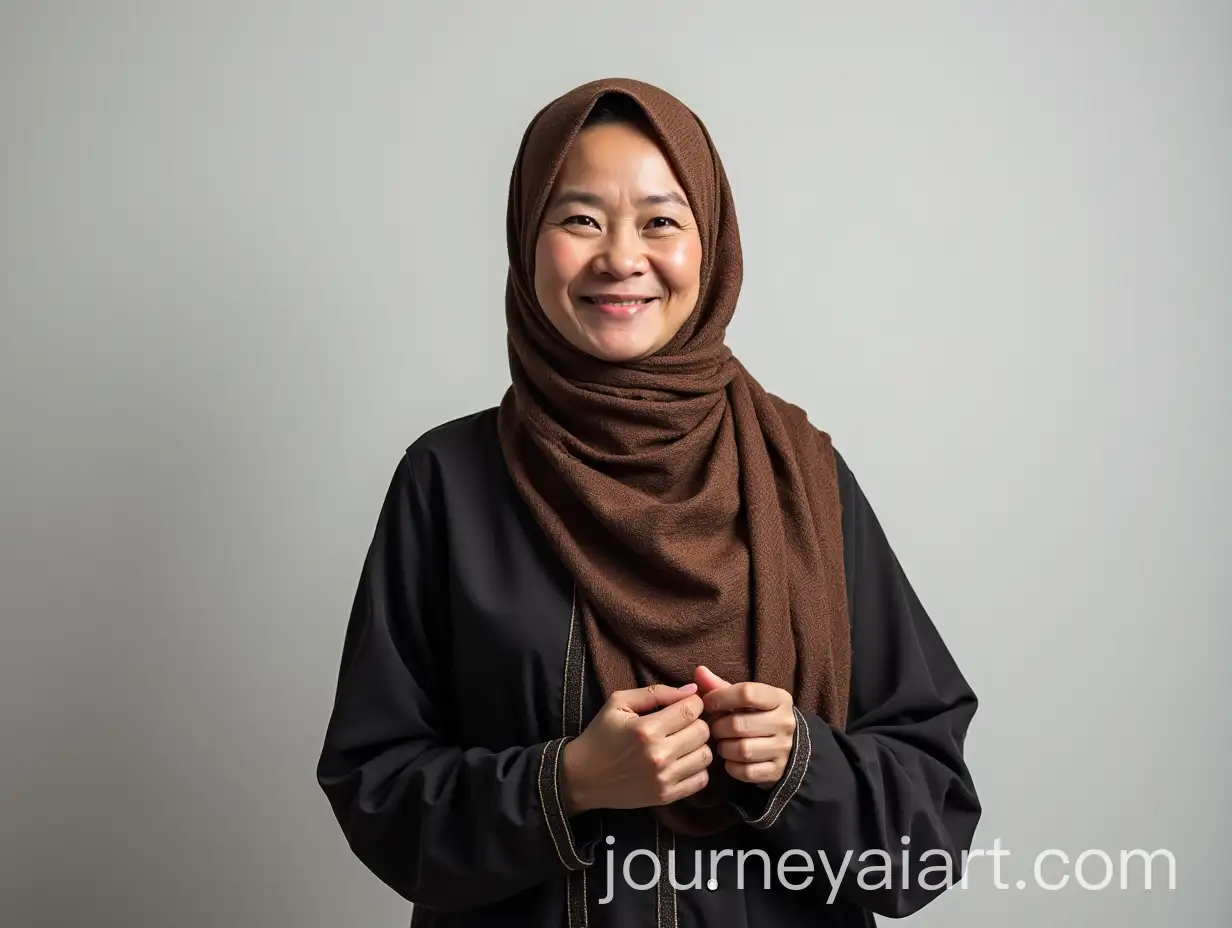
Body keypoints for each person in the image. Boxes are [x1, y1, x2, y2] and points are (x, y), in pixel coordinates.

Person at [316, 77, 981, 928]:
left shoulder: (802, 478)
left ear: (712, 247)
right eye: (580, 218)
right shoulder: (449, 481)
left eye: (661, 221)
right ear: (527, 239)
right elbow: (376, 787)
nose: (620, 258)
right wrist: (569, 783)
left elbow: (934, 814)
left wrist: (797, 764)